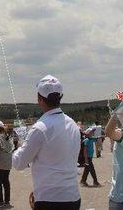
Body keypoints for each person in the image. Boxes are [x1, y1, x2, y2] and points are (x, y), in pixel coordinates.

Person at [13, 75, 81, 210]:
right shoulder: (72, 124)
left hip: (49, 200)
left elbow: (19, 163)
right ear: (61, 97)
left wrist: (19, 147)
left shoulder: (40, 128)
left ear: (39, 99)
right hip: (72, 197)